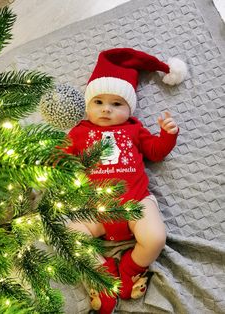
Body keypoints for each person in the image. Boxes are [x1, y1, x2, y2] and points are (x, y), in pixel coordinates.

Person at [60, 48, 187, 314]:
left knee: (155, 238)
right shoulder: (80, 132)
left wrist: (167, 136)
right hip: (96, 209)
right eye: (98, 102)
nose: (106, 109)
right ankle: (103, 275)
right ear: (88, 105)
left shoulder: (134, 129)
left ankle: (131, 268)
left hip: (135, 203)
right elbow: (62, 157)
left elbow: (155, 152)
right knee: (70, 234)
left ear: (129, 108)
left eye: (116, 104)